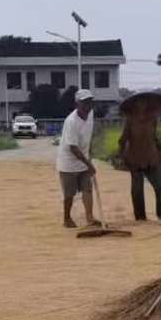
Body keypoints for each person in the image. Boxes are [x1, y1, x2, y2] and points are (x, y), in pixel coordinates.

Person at [118, 90, 161, 221]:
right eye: (139, 102)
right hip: (135, 159)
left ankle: (159, 211)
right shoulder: (130, 120)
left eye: (144, 102)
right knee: (137, 189)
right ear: (135, 105)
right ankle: (140, 216)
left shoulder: (152, 119)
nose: (142, 105)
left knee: (159, 185)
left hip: (151, 157)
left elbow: (154, 137)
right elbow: (123, 139)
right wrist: (123, 155)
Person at [56, 88, 97, 229]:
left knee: (87, 189)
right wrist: (89, 164)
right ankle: (66, 219)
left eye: (89, 102)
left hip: (84, 160)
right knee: (69, 194)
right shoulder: (71, 121)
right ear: (77, 104)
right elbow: (73, 148)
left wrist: (89, 158)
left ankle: (90, 218)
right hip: (68, 163)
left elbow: (88, 138)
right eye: (84, 103)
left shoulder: (91, 114)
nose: (87, 106)